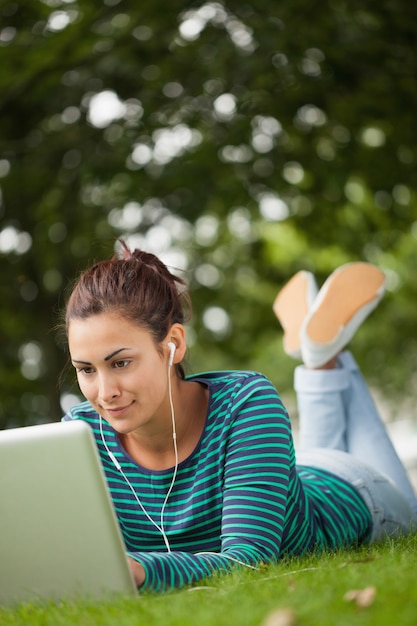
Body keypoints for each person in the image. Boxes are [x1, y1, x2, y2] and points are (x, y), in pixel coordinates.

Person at [62, 243, 417, 593]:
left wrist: (141, 570)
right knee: (306, 459)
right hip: (275, 475)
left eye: (120, 363)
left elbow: (250, 559)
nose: (105, 392)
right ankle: (319, 353)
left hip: (353, 490)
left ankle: (322, 360)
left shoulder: (245, 404)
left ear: (174, 344)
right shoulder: (80, 436)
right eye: (86, 369)